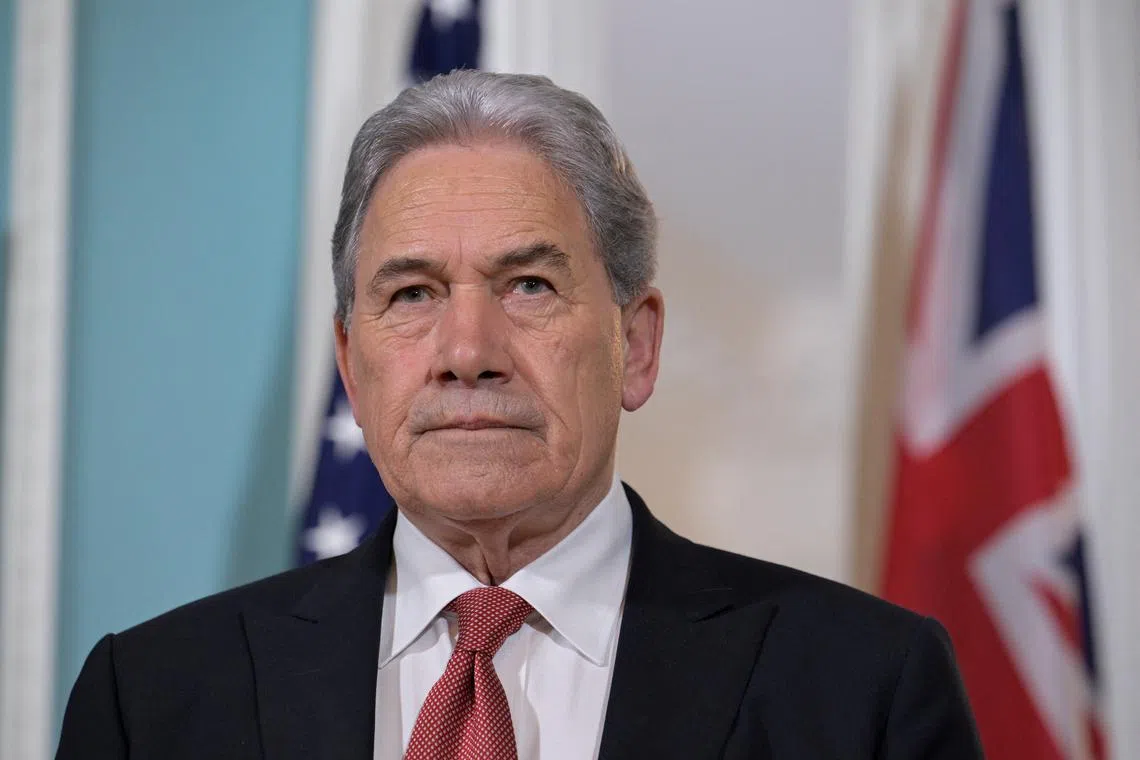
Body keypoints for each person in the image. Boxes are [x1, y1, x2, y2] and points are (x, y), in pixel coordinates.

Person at [57, 70, 982, 759]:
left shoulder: (866, 690)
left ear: (636, 345)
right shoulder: (155, 701)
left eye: (529, 285)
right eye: (412, 293)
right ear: (351, 366)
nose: (468, 351)